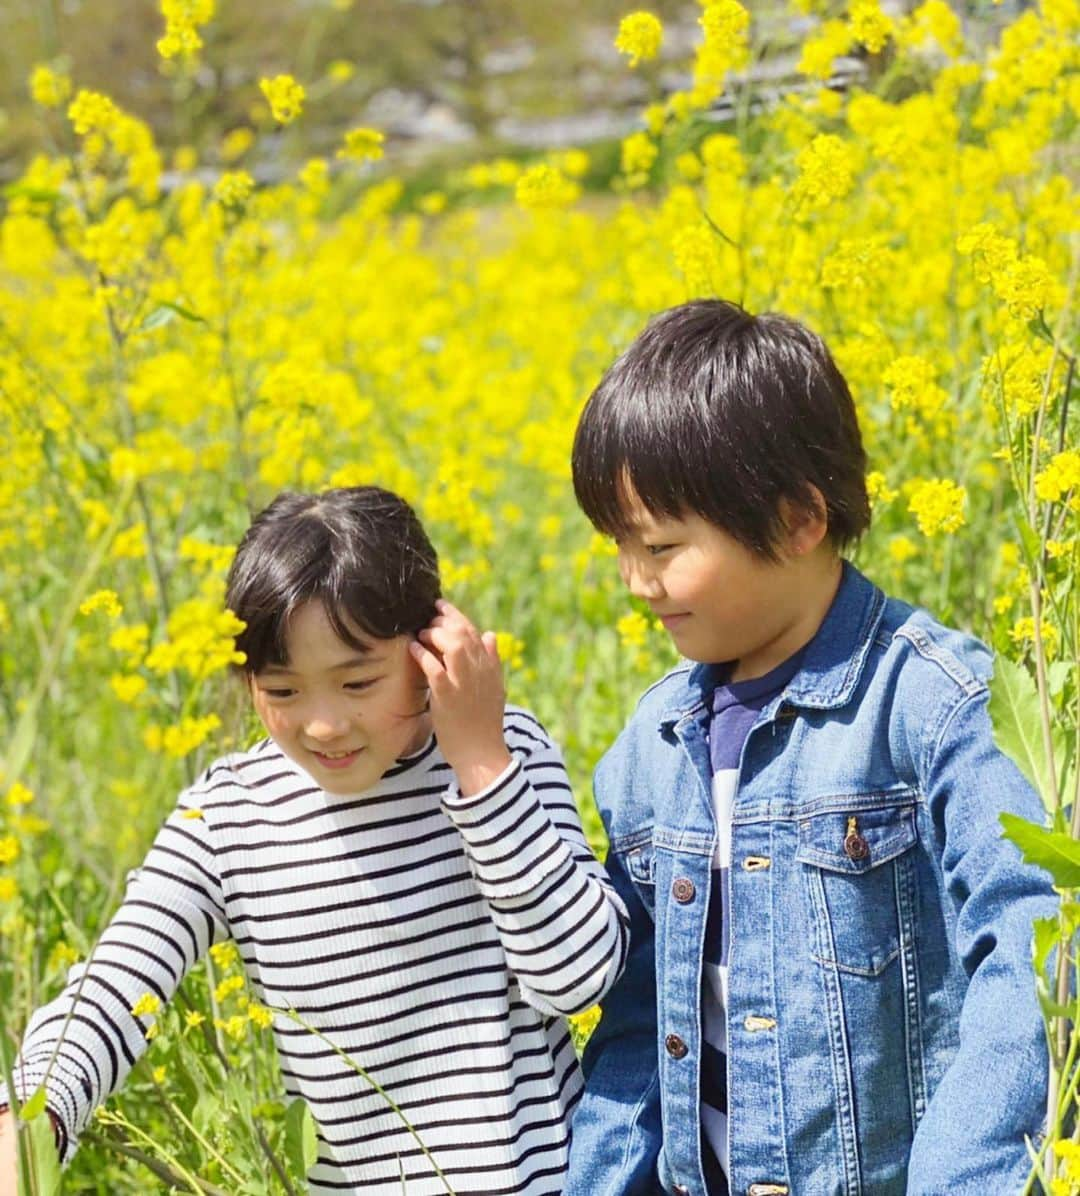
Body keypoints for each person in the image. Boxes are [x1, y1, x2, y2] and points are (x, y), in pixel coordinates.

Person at [0, 486, 629, 1195]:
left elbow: (577, 980)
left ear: (432, 649)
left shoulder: (503, 755)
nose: (324, 725)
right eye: (284, 690)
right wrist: (29, 1113)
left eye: (358, 682)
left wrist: (481, 766)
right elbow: (115, 983)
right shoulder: (229, 816)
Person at [563, 299, 1055, 1196]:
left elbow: (1034, 948)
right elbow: (637, 1025)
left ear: (798, 520)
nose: (637, 583)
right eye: (620, 549)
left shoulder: (933, 705)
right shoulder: (653, 743)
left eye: (664, 547)